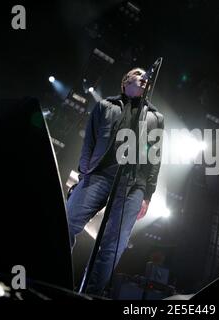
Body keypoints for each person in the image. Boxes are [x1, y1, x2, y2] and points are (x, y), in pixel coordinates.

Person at [66, 67, 164, 296]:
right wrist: (84, 173)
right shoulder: (105, 106)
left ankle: (90, 293)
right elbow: (89, 141)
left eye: (144, 77)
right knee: (67, 222)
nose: (142, 77)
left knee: (114, 244)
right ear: (125, 81)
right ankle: (53, 274)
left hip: (133, 185)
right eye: (137, 74)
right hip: (99, 174)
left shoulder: (155, 117)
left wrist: (147, 195)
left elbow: (155, 158)